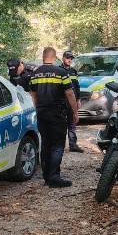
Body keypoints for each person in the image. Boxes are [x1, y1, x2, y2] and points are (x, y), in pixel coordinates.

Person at [29, 47, 79, 188]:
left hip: (42, 114)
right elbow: (70, 93)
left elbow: (33, 93)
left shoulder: (35, 73)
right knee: (57, 145)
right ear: (55, 57)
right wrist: (75, 112)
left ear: (44, 57)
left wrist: (38, 107)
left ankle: (47, 176)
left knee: (45, 143)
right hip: (57, 114)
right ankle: (54, 177)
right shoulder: (61, 73)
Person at [61, 50, 84, 153]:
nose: (69, 60)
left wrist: (78, 99)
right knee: (61, 125)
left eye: (71, 58)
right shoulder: (58, 70)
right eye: (67, 58)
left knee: (72, 123)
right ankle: (60, 146)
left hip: (72, 102)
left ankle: (73, 145)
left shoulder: (73, 71)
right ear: (63, 58)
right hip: (61, 102)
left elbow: (77, 87)